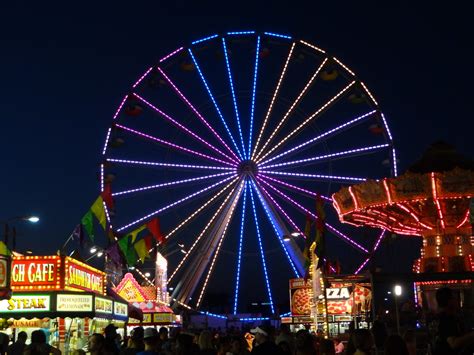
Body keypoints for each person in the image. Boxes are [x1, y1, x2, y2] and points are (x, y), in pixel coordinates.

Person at [431, 287, 474, 355]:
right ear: (449, 301)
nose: (457, 300)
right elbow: (453, 343)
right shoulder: (446, 318)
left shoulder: (437, 317)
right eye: (454, 298)